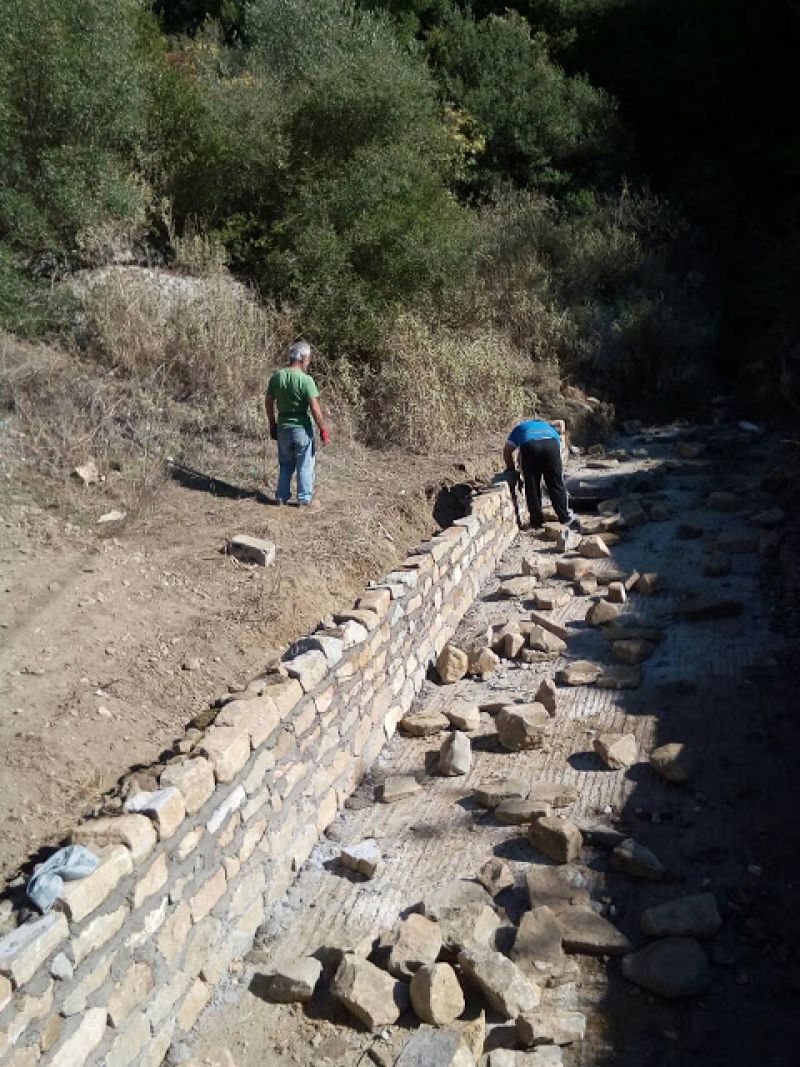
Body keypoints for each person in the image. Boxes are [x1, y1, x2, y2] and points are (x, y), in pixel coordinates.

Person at [265, 340, 329, 506]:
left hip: (283, 427)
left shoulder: (276, 377)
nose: (309, 362)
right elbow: (314, 408)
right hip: (302, 428)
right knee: (304, 464)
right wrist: (323, 430)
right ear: (303, 359)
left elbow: (268, 402)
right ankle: (304, 499)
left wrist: (272, 424)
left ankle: (281, 496)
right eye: (308, 359)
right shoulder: (306, 380)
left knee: (285, 464)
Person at [503, 417, 576, 530]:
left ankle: (537, 522)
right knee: (556, 484)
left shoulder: (520, 428)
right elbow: (558, 444)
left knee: (532, 485)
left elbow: (507, 451)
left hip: (530, 447)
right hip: (551, 445)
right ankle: (565, 518)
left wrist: (511, 468)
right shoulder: (548, 427)